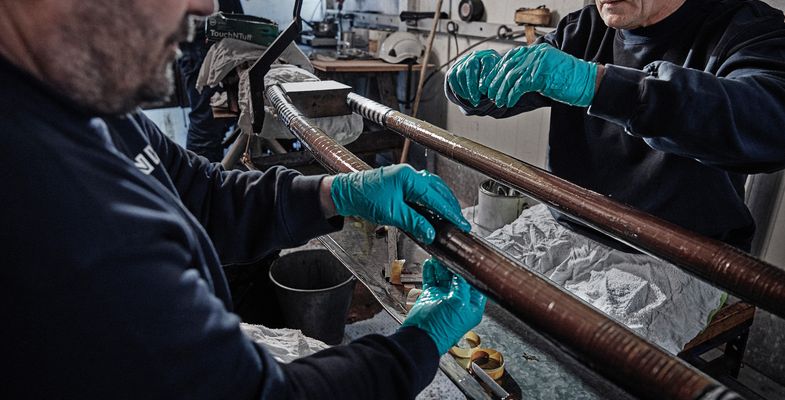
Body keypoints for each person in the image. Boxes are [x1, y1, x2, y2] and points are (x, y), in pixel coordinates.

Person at [0, 1, 485, 399]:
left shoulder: (84, 102)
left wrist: (336, 193)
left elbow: (202, 194)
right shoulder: (48, 206)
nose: (202, 6)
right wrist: (417, 345)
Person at [445, 0, 785, 353]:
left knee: (583, 361)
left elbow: (771, 123)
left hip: (674, 256)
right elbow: (514, 85)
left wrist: (604, 86)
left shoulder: (746, 28)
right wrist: (475, 86)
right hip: (570, 223)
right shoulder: (585, 28)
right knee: (463, 298)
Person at [177, 0, 244, 161]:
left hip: (218, 38)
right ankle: (199, 174)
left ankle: (212, 171)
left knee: (220, 116)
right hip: (203, 42)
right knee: (207, 123)